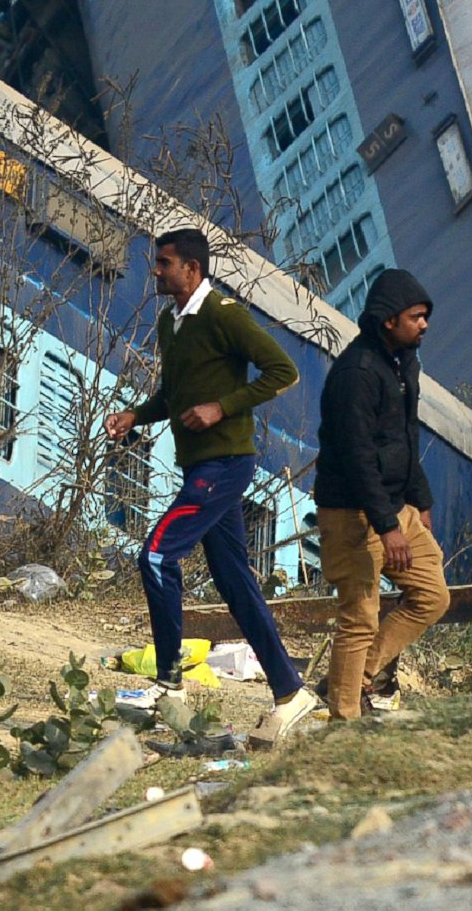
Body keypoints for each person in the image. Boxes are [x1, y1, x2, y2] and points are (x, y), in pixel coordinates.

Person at [104, 227, 319, 743]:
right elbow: (177, 395)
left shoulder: (224, 315)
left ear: (192, 270)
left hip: (224, 465)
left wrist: (223, 407)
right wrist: (138, 414)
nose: (155, 270)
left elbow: (282, 370)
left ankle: (170, 685)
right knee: (234, 582)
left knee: (156, 555)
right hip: (199, 466)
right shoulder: (170, 323)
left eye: (164, 262)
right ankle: (292, 692)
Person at [314, 268, 450, 720]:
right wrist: (387, 526)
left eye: (426, 315)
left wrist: (421, 500)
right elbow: (357, 458)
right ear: (388, 320)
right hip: (353, 513)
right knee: (358, 617)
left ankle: (352, 679)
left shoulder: (403, 361)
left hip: (396, 505)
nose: (425, 324)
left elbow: (404, 436)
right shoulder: (357, 374)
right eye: (416, 317)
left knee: (432, 595)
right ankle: (344, 721)